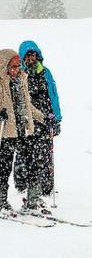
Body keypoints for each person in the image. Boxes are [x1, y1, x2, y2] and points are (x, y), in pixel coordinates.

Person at [14, 41, 62, 205]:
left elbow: (53, 95)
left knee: (44, 155)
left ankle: (45, 186)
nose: (31, 58)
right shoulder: (19, 74)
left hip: (44, 120)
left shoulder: (45, 73)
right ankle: (22, 184)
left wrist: (56, 118)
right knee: (23, 154)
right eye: (27, 56)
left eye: (33, 55)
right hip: (25, 122)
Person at [0, 49, 45, 214]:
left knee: (32, 163)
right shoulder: (1, 82)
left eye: (18, 66)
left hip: (23, 129)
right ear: (4, 66)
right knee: (4, 168)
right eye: (12, 66)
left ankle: (33, 199)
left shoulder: (21, 79)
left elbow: (27, 105)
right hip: (6, 132)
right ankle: (1, 201)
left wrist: (42, 117)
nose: (16, 69)